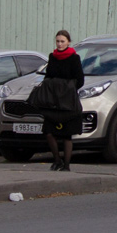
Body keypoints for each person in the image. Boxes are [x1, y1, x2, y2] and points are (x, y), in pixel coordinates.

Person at [41, 30, 84, 171]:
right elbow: (47, 77)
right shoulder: (52, 57)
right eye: (58, 41)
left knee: (67, 135)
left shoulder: (74, 58)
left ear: (68, 42)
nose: (59, 44)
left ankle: (66, 165)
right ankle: (57, 160)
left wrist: (66, 89)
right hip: (53, 101)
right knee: (48, 131)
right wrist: (52, 86)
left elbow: (80, 80)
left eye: (62, 41)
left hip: (68, 101)